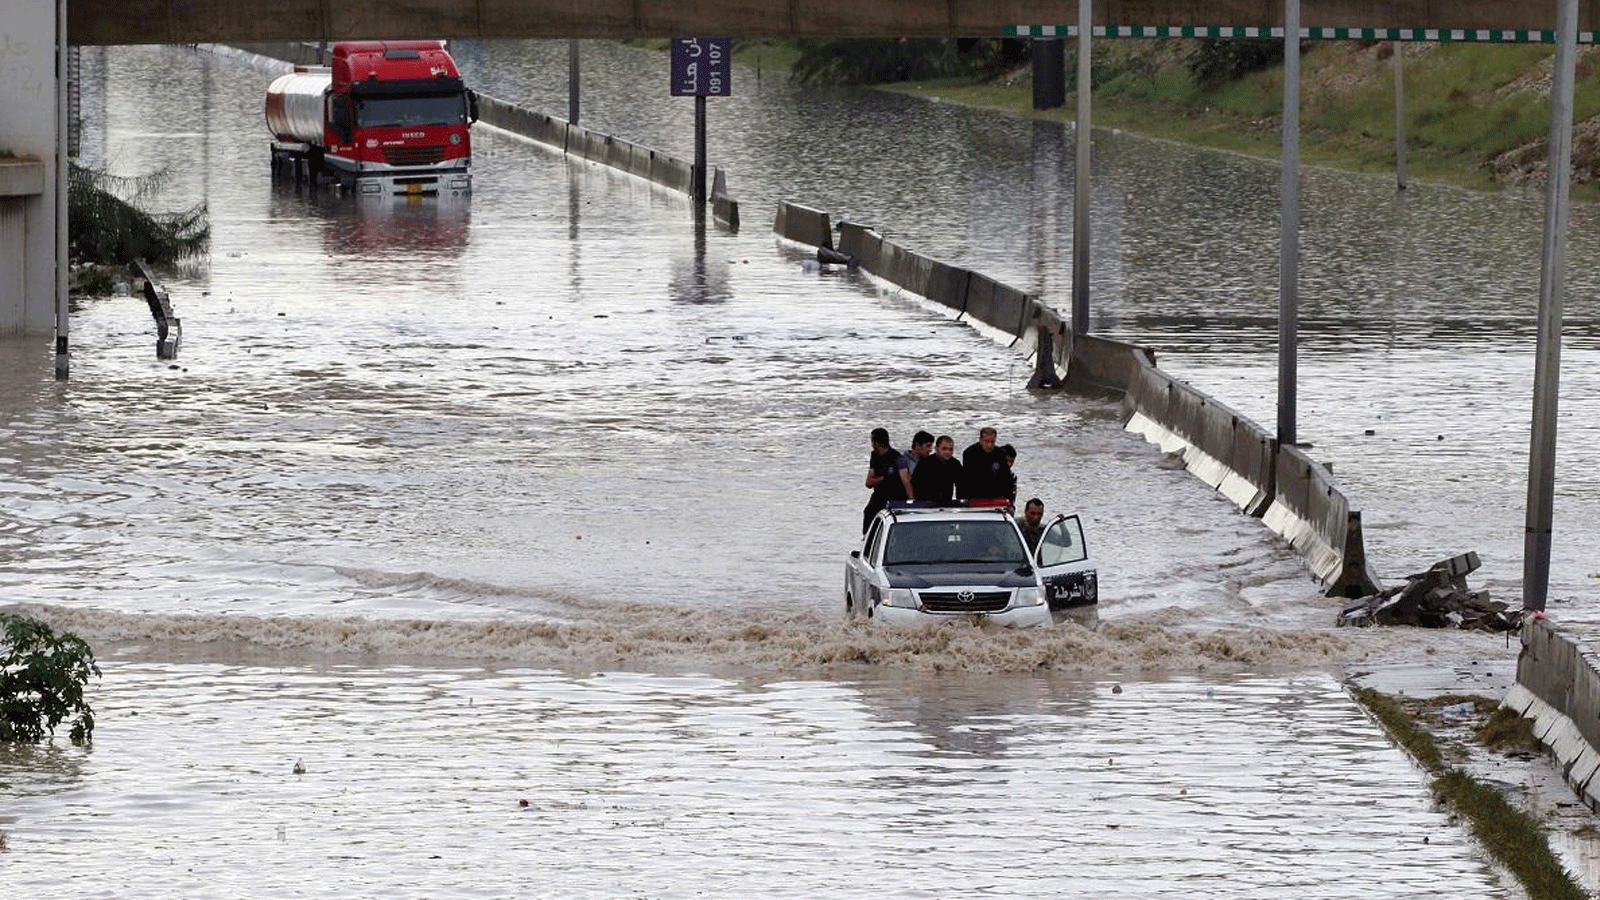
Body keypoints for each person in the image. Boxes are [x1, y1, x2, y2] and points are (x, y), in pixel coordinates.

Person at [862, 427, 909, 533]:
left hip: (896, 495)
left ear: (876, 443)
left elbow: (906, 482)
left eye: (872, 442)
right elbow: (869, 483)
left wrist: (911, 501)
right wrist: (885, 477)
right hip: (879, 495)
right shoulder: (874, 456)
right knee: (868, 513)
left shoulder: (897, 458)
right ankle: (867, 541)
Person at [960, 427, 1010, 501]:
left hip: (995, 496)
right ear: (980, 440)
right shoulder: (970, 453)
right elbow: (967, 479)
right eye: (986, 441)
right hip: (973, 495)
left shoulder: (1000, 454)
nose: (989, 445)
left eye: (992, 442)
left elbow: (1005, 478)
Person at [912, 434, 963, 504]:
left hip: (946, 503)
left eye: (950, 449)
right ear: (936, 449)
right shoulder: (925, 463)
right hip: (926, 504)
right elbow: (916, 486)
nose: (948, 452)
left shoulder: (955, 464)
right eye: (944, 449)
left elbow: (961, 486)